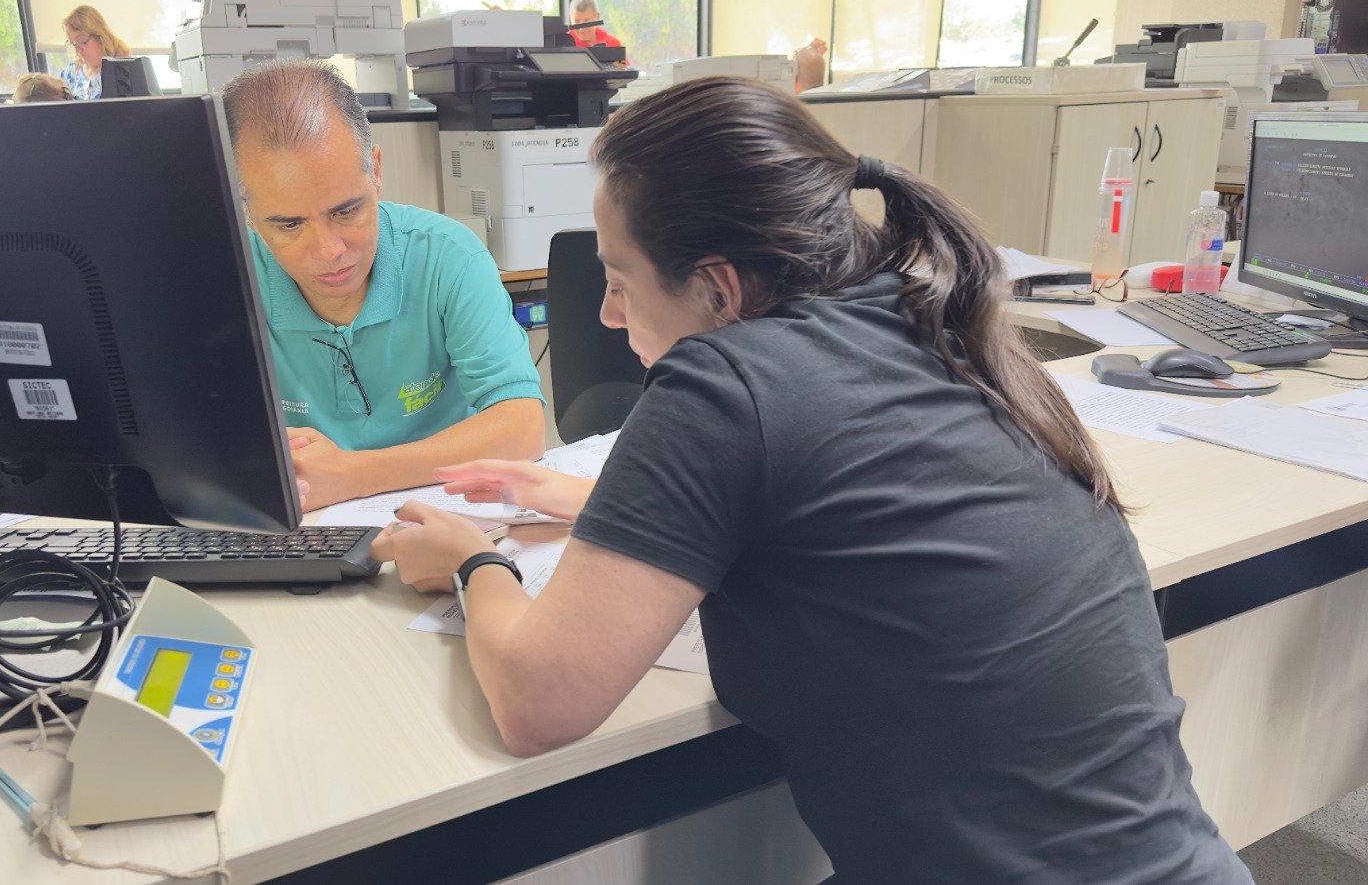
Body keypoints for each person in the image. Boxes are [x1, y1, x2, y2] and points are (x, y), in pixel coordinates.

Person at [372, 78, 1251, 882]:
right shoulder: (937, 324)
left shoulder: (722, 382)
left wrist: (472, 561)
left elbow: (538, 704)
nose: (606, 313)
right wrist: (601, 505)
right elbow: (848, 500)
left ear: (719, 289)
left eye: (618, 279)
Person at [221, 61, 545, 511]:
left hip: (444, 517)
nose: (329, 251)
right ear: (246, 211)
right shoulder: (225, 280)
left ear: (375, 170)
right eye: (289, 225)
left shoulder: (448, 257)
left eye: (346, 211)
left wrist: (353, 475)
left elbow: (523, 428)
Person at [59, 5, 130, 101]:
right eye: (73, 44)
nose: (78, 51)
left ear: (100, 36)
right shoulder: (69, 74)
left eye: (82, 41)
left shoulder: (124, 71)